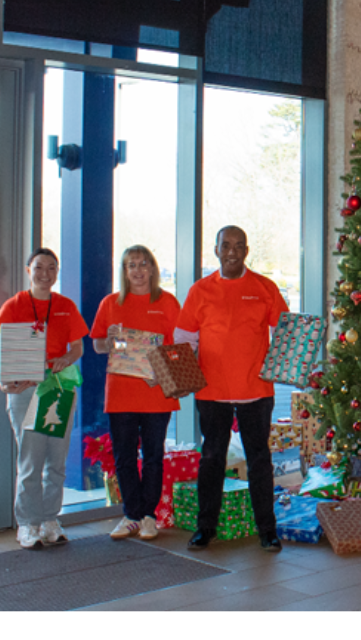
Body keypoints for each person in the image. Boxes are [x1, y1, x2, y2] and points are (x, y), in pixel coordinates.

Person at [174, 226, 288, 552]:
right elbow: (184, 340)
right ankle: (205, 527)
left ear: (247, 251)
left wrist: (289, 367)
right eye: (226, 245)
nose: (232, 251)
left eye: (239, 246)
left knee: (259, 459)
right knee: (212, 458)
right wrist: (180, 377)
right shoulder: (200, 290)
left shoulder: (264, 288)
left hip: (256, 388)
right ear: (216, 250)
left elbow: (286, 333)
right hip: (212, 391)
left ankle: (267, 529)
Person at [0, 248, 89, 550]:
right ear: (27, 269)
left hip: (59, 387)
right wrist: (3, 381)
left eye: (51, 268)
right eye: (39, 267)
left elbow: (78, 348)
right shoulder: (13, 306)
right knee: (31, 460)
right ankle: (27, 524)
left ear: (57, 272)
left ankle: (49, 519)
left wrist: (65, 359)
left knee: (56, 459)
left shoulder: (65, 306)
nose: (45, 274)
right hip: (26, 389)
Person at [90, 245, 182, 541]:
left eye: (144, 264)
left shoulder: (167, 302)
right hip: (121, 393)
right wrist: (111, 340)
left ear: (153, 269)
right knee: (124, 457)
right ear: (124, 270)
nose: (139, 270)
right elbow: (98, 346)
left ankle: (149, 516)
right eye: (132, 265)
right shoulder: (110, 303)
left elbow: (179, 348)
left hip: (157, 394)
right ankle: (131, 514)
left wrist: (163, 371)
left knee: (154, 457)